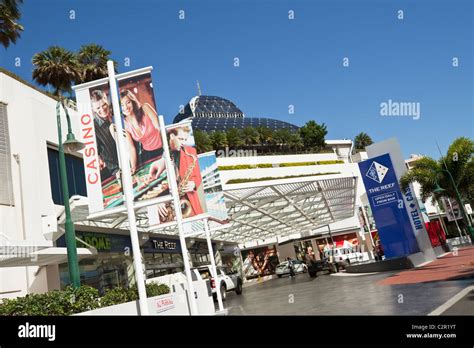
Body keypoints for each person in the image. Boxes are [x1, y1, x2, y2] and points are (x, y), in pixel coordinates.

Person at [120, 89, 163, 173]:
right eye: (122, 105)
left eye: (128, 102)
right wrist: (133, 167)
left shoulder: (145, 108)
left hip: (162, 148)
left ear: (133, 101)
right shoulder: (125, 124)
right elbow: (131, 148)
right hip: (148, 155)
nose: (125, 107)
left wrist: (167, 150)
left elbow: (160, 128)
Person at [168, 125, 204, 217]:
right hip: (170, 202)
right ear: (172, 136)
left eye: (185, 139)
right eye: (180, 139)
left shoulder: (190, 151)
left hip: (189, 201)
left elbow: (198, 175)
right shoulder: (161, 154)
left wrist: (194, 184)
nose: (183, 143)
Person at [90, 89, 120, 182]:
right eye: (98, 108)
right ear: (93, 109)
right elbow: (97, 151)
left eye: (104, 105)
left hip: (136, 158)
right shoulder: (93, 126)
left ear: (106, 99)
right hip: (116, 169)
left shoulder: (118, 113)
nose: (102, 109)